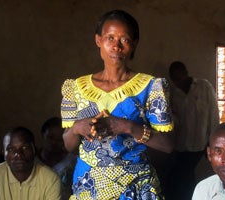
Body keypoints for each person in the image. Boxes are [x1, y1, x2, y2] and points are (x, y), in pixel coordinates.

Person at [60, 10, 174, 200]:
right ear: (98, 40)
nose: (116, 46)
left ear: (134, 44)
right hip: (89, 188)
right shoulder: (75, 88)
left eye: (125, 40)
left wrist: (127, 127)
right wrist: (76, 129)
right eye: (110, 38)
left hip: (136, 188)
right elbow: (68, 145)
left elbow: (168, 144)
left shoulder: (151, 86)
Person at [167, 61, 219, 199]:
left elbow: (213, 115)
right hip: (181, 145)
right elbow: (174, 119)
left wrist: (213, 142)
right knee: (183, 177)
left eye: (179, 77)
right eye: (174, 79)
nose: (177, 82)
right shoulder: (173, 93)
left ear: (186, 73)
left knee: (183, 175)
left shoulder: (204, 87)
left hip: (199, 143)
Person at [0, 126, 61, 200]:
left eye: (25, 147)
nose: (18, 154)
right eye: (11, 149)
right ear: (4, 154)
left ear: (34, 151)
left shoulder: (50, 179)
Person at [38, 117, 77, 200]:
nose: (54, 142)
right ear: (42, 134)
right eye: (50, 137)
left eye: (59, 139)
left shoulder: (73, 162)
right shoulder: (31, 160)